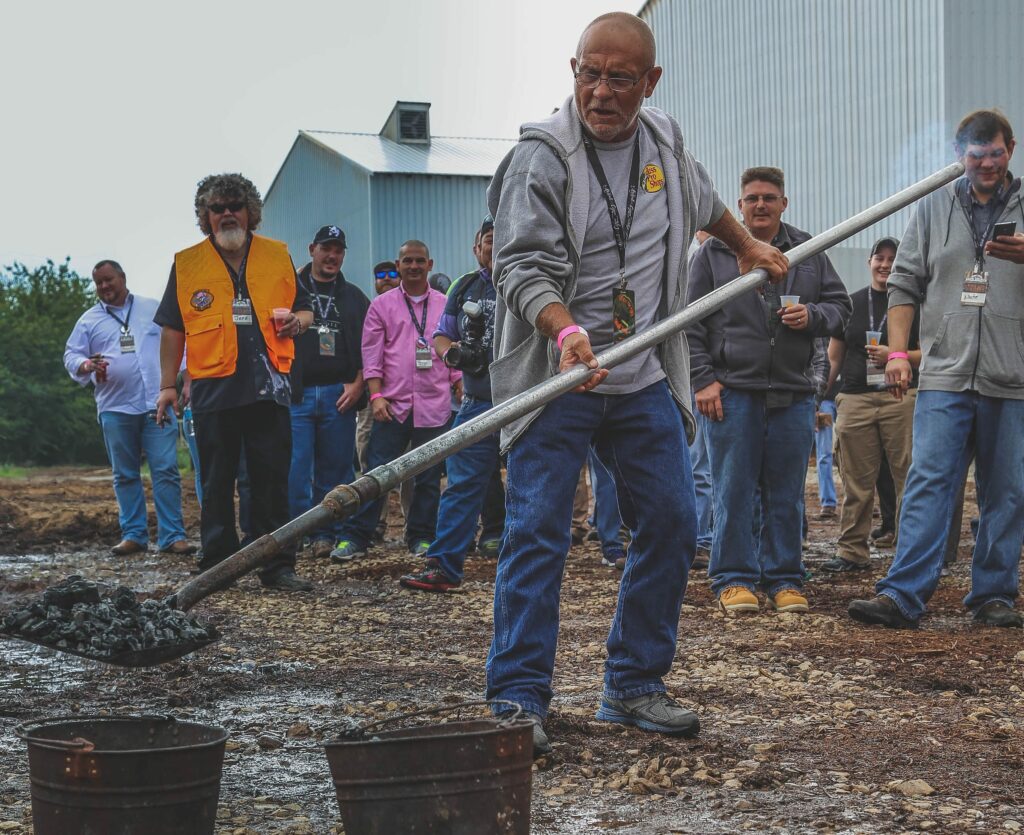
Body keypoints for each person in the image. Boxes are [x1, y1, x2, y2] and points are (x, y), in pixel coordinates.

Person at [484, 12, 789, 755]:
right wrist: (564, 330)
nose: (602, 91)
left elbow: (705, 201)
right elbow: (519, 266)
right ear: (574, 70)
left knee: (674, 522)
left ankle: (632, 683)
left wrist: (746, 242)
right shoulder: (542, 158)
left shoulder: (666, 142)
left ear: (650, 83)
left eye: (621, 78)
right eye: (590, 72)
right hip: (561, 376)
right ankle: (517, 697)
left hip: (644, 371)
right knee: (538, 532)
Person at [849, 109, 1024, 629]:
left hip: (1012, 378)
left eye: (995, 154)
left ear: (1010, 150)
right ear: (958, 155)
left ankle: (994, 595)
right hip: (945, 376)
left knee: (1007, 490)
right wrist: (899, 354)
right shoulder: (931, 210)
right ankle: (903, 594)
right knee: (928, 482)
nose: (986, 164)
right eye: (975, 155)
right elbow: (904, 285)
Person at [687, 166, 851, 615]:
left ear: (784, 203)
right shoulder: (714, 252)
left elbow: (842, 308)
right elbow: (690, 323)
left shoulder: (809, 251)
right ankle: (733, 578)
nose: (761, 205)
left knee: (786, 492)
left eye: (769, 197)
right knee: (732, 488)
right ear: (739, 206)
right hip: (732, 391)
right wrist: (703, 380)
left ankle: (784, 579)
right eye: (752, 198)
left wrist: (813, 317)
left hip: (793, 394)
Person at [154, 172, 315, 592]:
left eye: (234, 206)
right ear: (205, 217)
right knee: (216, 479)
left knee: (271, 480)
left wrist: (297, 323)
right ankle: (217, 563)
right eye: (217, 208)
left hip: (270, 386)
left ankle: (276, 565)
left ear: (250, 213)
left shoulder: (278, 255)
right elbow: (172, 328)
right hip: (212, 388)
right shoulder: (186, 263)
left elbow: (305, 311)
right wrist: (168, 385)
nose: (227, 214)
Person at [331, 240, 461, 561]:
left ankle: (422, 537)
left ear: (430, 265)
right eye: (407, 261)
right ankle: (356, 537)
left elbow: (453, 349)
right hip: (392, 406)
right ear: (399, 265)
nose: (413, 266)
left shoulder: (446, 304)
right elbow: (372, 354)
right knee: (377, 474)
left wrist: (459, 385)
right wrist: (375, 396)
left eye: (420, 261)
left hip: (435, 405)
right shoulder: (382, 306)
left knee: (429, 478)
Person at [64, 260, 194, 557]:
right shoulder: (88, 320)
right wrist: (86, 364)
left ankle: (173, 536)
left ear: (122, 278)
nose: (104, 286)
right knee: (124, 473)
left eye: (109, 280)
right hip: (115, 406)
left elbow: (178, 343)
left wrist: (187, 379)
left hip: (156, 403)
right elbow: (71, 354)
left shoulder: (152, 308)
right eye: (99, 283)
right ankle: (134, 535)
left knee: (166, 470)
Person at [400, 218, 501, 591]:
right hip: (478, 401)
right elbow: (442, 335)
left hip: (527, 402)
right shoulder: (464, 286)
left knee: (529, 486)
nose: (495, 246)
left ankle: (526, 566)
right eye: (489, 240)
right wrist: (453, 356)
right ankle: (443, 566)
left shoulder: (529, 284)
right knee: (461, 483)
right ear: (477, 249)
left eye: (502, 239)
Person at [823, 237, 920, 574]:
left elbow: (933, 352)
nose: (886, 265)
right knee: (856, 481)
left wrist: (898, 354)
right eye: (880, 258)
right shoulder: (850, 304)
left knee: (908, 478)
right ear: (869, 262)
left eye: (893, 259)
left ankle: (910, 553)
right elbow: (833, 357)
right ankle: (852, 551)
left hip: (901, 397)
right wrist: (820, 396)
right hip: (855, 398)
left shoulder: (912, 304)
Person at [288, 225, 370, 560]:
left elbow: (372, 345)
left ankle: (329, 534)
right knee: (295, 469)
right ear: (312, 249)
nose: (332, 256)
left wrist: (358, 383)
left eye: (338, 250)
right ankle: (295, 533)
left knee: (335, 470)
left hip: (340, 393)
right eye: (326, 248)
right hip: (298, 393)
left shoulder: (353, 297)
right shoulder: (290, 290)